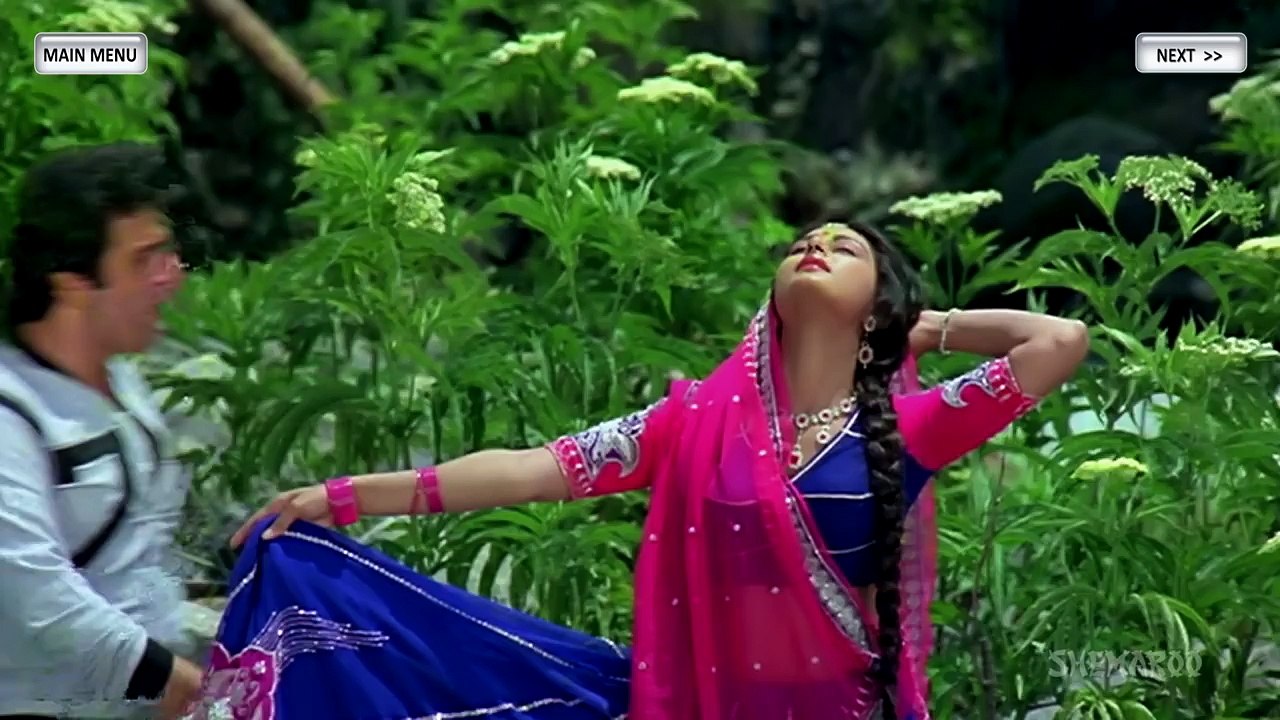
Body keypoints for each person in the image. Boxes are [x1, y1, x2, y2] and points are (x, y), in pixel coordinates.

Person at [204, 222, 1089, 719]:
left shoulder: (912, 425)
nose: (814, 246)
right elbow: (532, 470)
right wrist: (343, 497)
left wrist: (924, 326)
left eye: (844, 249)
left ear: (877, 307)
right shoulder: (691, 423)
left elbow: (1058, 341)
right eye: (800, 242)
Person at [0, 144, 203, 719]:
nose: (172, 274)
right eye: (144, 260)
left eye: (168, 252)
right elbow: (32, 591)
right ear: (71, 281)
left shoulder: (122, 381)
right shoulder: (13, 413)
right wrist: (174, 681)